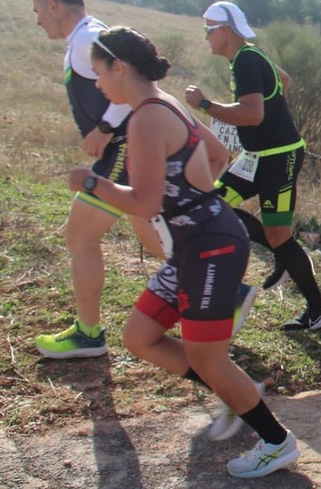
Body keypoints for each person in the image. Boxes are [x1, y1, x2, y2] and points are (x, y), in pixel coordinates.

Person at [68, 27, 299, 478]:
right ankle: (234, 391)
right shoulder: (166, 103)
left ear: (119, 67)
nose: (97, 84)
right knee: (140, 337)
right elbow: (217, 155)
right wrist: (195, 202)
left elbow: (145, 203)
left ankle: (276, 441)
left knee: (207, 358)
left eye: (98, 73)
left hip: (210, 250)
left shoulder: (146, 119)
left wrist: (91, 182)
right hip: (197, 247)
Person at [30, 0, 173, 359]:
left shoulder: (87, 39)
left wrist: (105, 128)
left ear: (53, 5)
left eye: (38, 11)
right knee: (156, 241)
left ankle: (89, 334)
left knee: (79, 236)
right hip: (124, 151)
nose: (37, 21)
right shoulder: (85, 38)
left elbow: (131, 83)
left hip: (123, 151)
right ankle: (224, 288)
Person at [184, 1, 321, 332]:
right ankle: (280, 254)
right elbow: (284, 80)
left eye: (209, 30)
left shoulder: (247, 60)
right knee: (212, 206)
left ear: (225, 30)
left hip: (279, 157)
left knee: (278, 233)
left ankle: (319, 309)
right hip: (255, 158)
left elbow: (252, 114)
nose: (206, 36)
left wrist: (206, 104)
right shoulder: (249, 56)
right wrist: (273, 105)